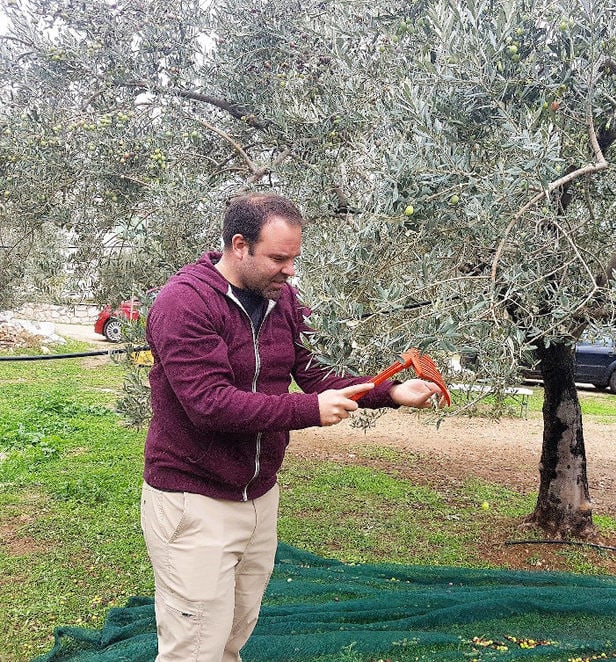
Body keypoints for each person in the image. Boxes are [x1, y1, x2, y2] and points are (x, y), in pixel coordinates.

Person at [140, 192, 443, 661]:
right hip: (193, 500)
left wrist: (391, 392)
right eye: (278, 258)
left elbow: (315, 372)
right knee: (193, 646)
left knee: (233, 635)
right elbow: (210, 405)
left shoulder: (281, 299)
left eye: (294, 258)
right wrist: (308, 411)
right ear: (239, 245)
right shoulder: (185, 304)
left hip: (259, 495)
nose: (290, 271)